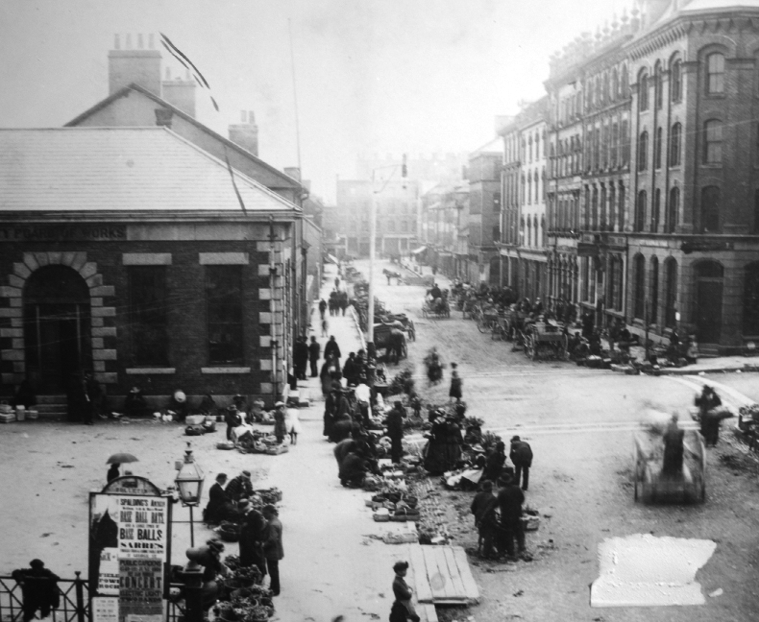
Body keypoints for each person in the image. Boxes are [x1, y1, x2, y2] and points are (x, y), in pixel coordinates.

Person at [493, 473, 527, 560]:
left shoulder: (502, 492)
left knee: (508, 532)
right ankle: (521, 547)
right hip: (517, 513)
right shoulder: (517, 489)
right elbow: (522, 499)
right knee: (519, 531)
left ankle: (510, 551)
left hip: (506, 515)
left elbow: (497, 503)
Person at [239, 505, 268, 578]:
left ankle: (260, 573)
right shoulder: (246, 514)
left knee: (257, 556)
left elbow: (261, 528)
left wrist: (258, 540)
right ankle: (249, 573)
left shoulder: (256, 515)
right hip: (247, 540)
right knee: (248, 556)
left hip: (254, 540)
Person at [471, 480, 497, 559]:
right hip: (488, 519)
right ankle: (485, 553)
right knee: (489, 534)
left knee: (482, 532)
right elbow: (492, 508)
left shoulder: (478, 495)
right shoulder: (493, 498)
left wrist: (476, 514)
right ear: (490, 488)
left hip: (478, 518)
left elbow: (472, 507)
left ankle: (481, 547)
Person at [262, 505, 284, 596]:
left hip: (272, 552)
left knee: (273, 571)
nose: (264, 515)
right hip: (276, 550)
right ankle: (273, 587)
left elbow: (272, 539)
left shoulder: (272, 524)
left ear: (271, 513)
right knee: (274, 570)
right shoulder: (276, 521)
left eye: (265, 514)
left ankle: (275, 590)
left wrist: (263, 545)